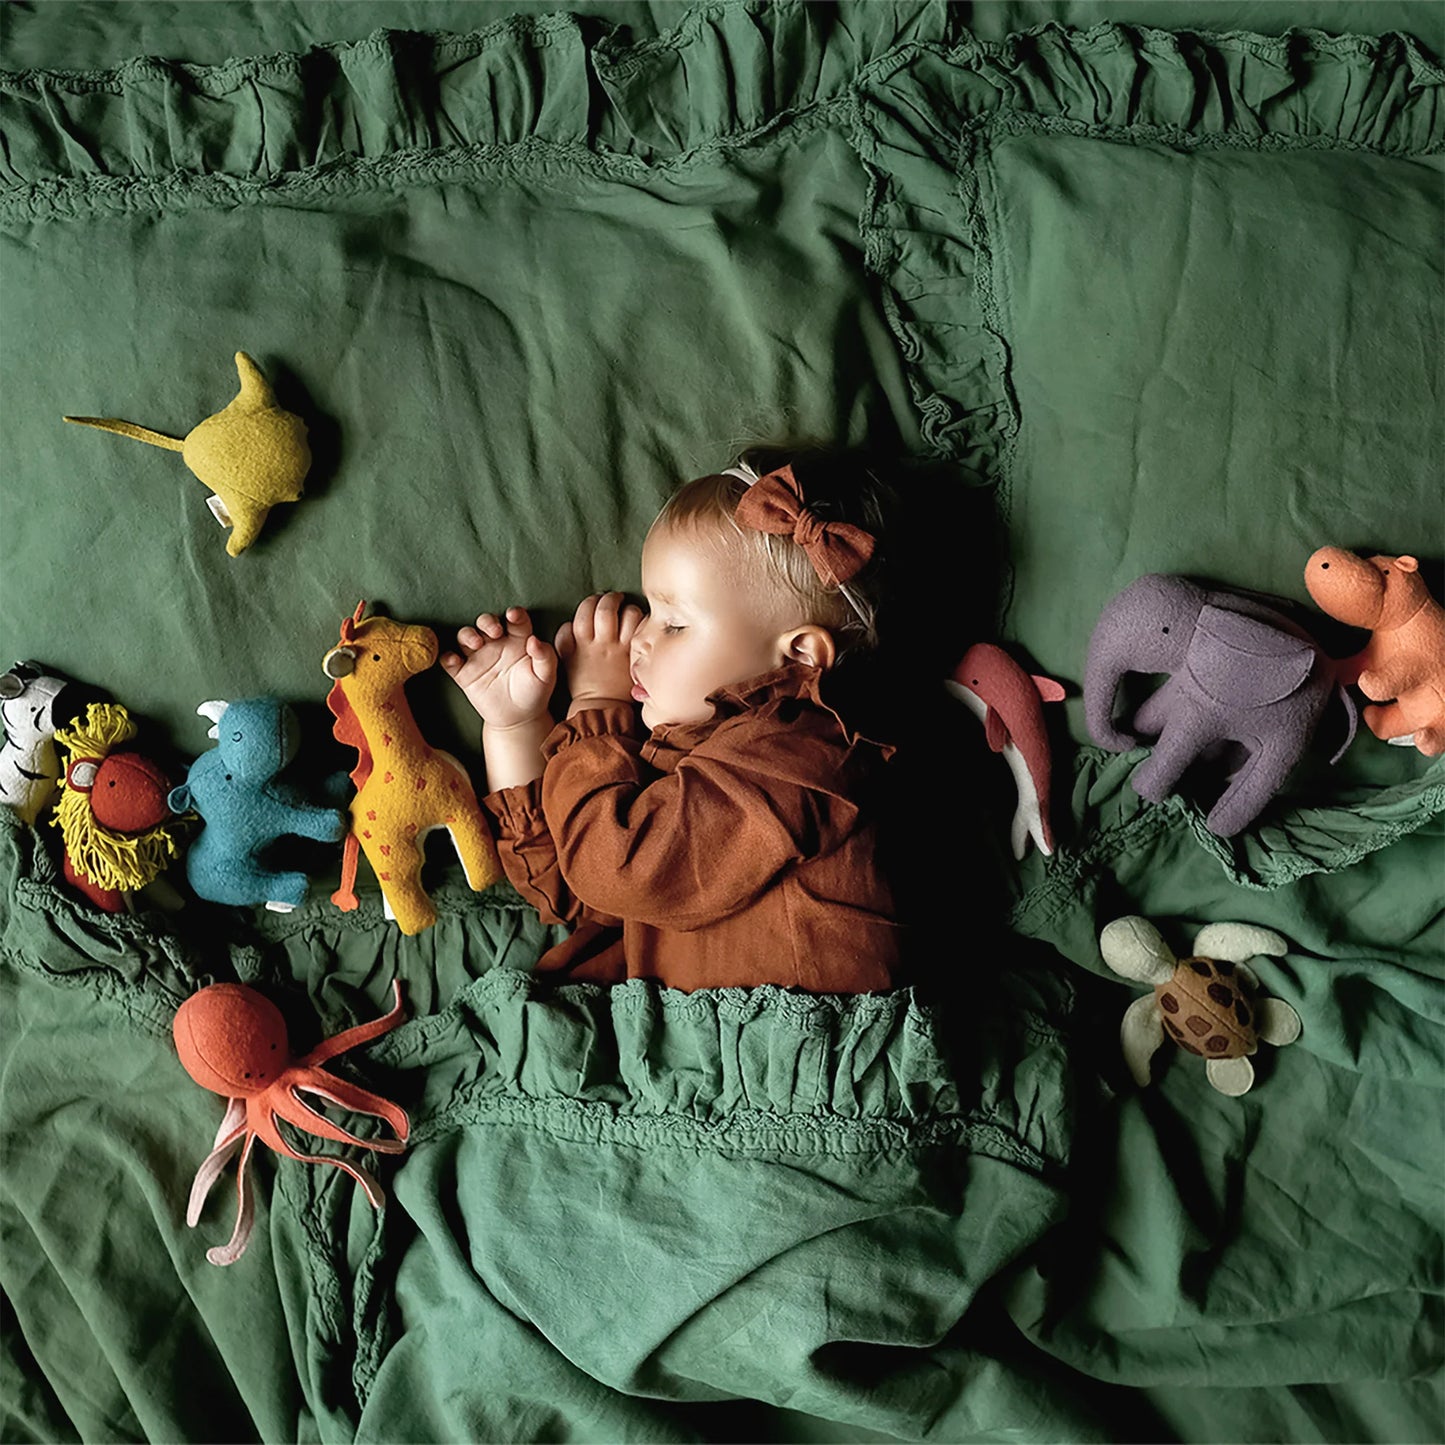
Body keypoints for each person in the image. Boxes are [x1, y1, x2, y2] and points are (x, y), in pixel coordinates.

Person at [440, 450, 901, 992]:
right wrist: (516, 725)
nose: (640, 638)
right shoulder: (693, 756)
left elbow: (612, 869)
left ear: (798, 656)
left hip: (797, 1056)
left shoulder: (804, 758)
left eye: (675, 624)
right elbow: (573, 893)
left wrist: (593, 705)